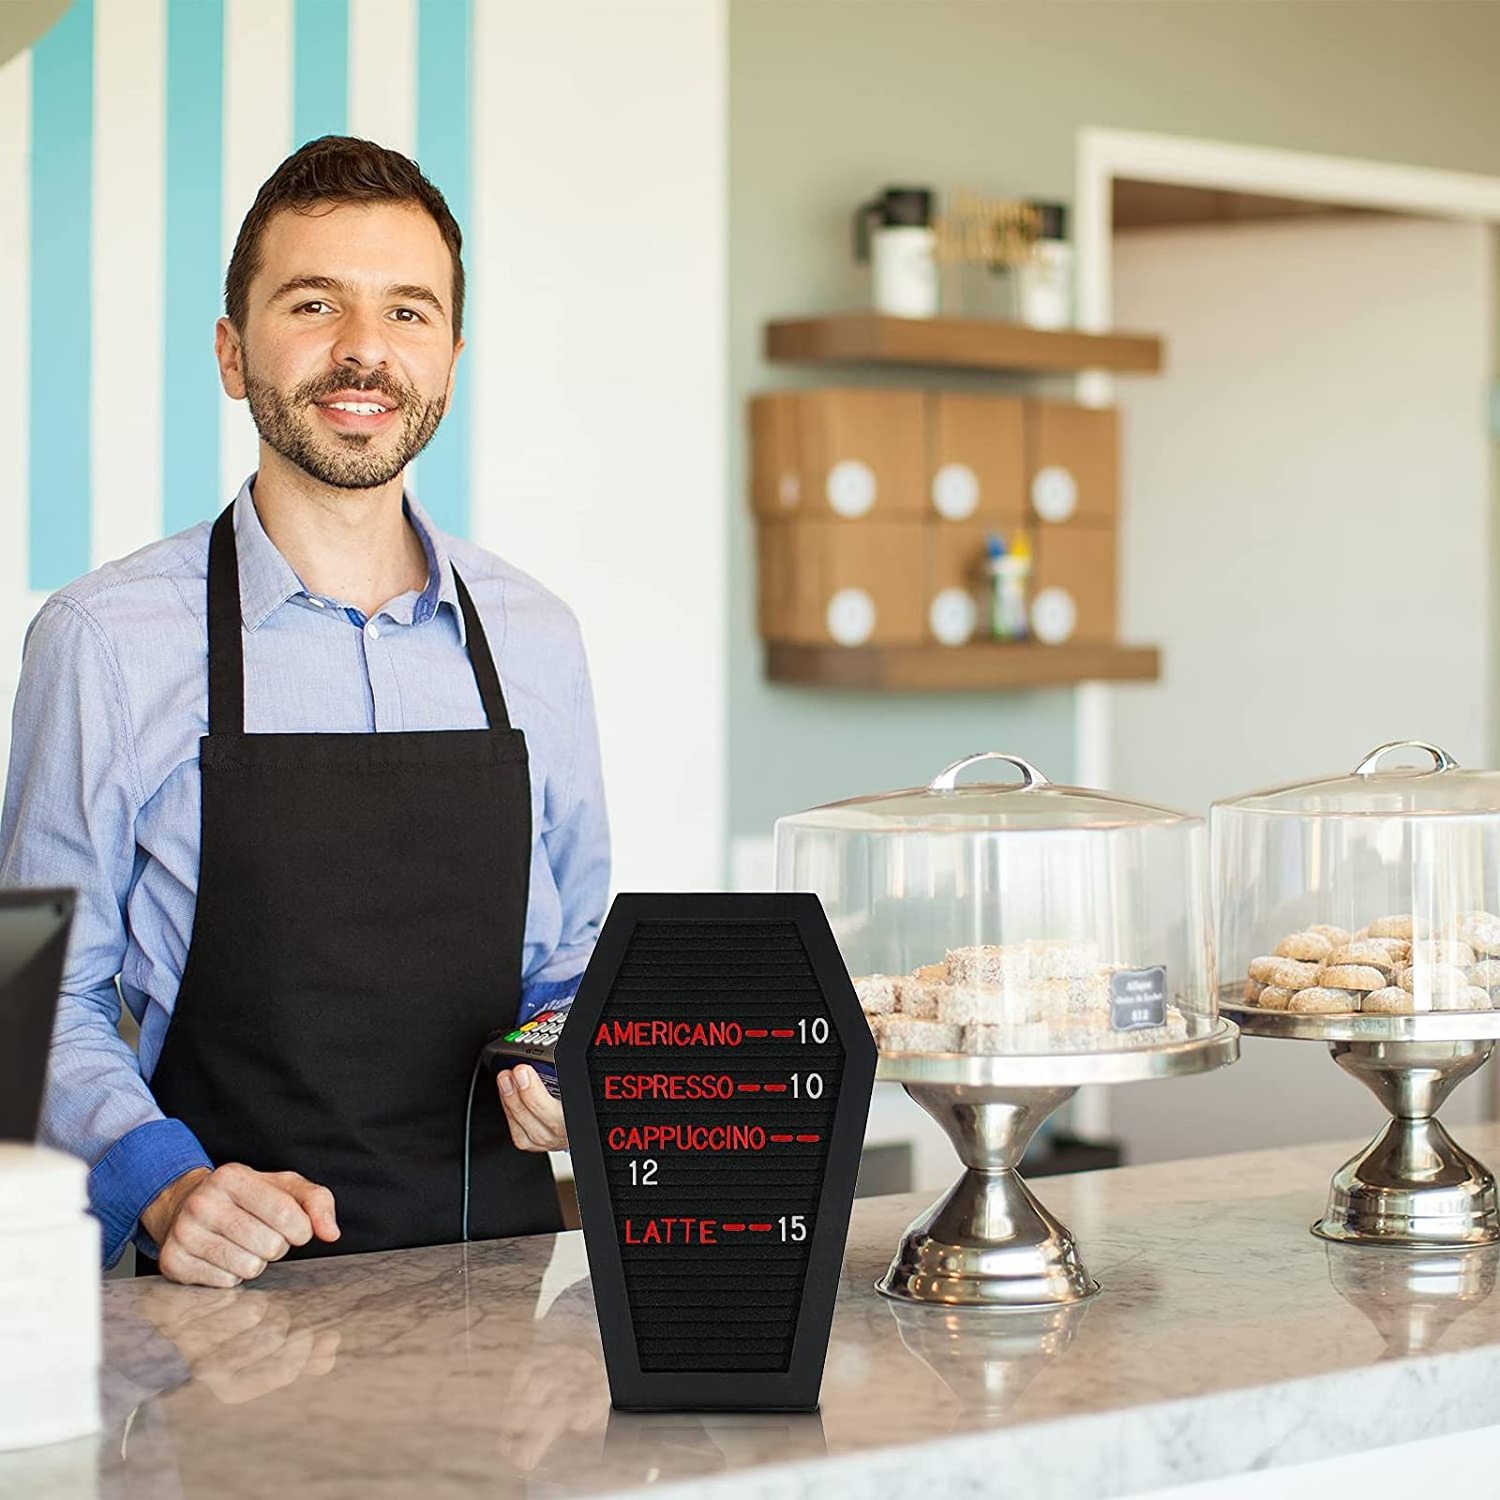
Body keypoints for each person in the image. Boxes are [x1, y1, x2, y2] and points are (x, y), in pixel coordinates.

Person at [0, 136, 609, 1286]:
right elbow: (34, 1007)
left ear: (453, 356)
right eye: (315, 303)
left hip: (506, 1299)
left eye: (410, 312)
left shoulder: (538, 638)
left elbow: (574, 956)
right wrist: (167, 1187)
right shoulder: (101, 643)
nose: (365, 351)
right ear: (234, 355)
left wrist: (579, 1060)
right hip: (224, 1316)